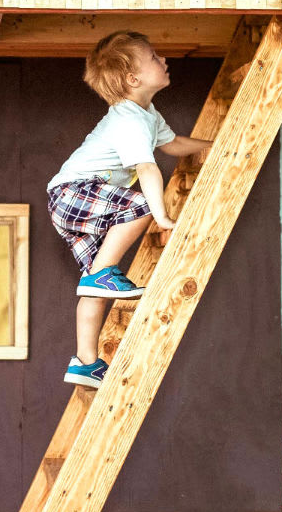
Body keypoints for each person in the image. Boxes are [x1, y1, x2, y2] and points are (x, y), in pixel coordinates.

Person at [46, 31, 211, 389]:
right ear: (133, 79)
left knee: (93, 283)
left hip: (73, 202)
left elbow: (173, 145)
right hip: (72, 193)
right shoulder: (129, 119)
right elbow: (149, 168)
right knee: (138, 206)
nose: (163, 60)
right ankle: (103, 274)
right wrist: (161, 215)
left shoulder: (147, 114)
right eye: (154, 57)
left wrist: (216, 145)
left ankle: (85, 362)